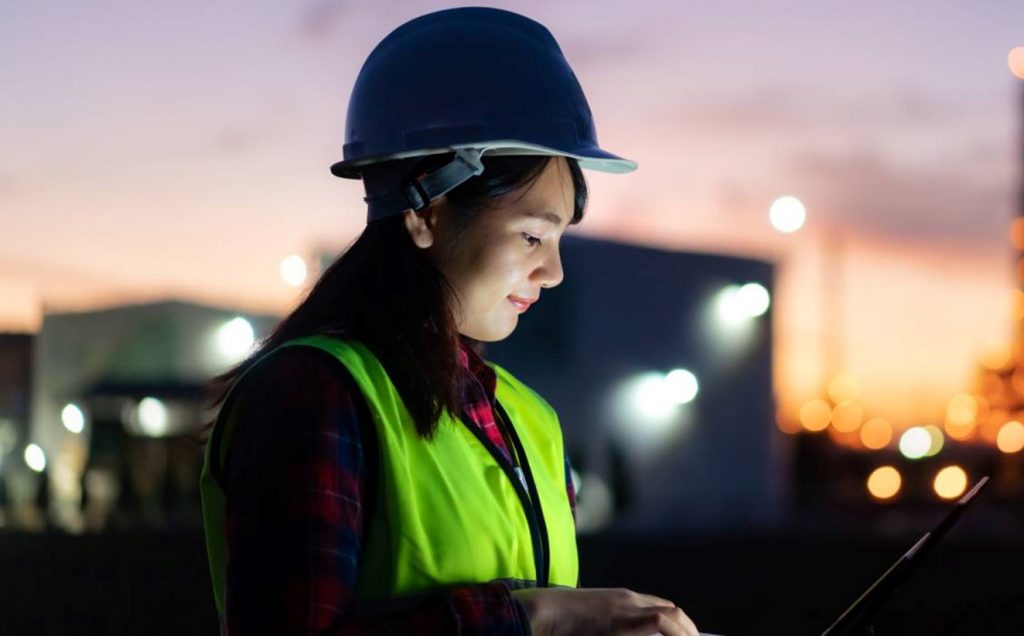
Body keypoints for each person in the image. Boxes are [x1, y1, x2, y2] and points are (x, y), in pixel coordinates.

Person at [199, 7, 699, 636]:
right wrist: (533, 618)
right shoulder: (314, 395)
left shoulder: (531, 421)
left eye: (559, 239)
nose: (553, 272)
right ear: (426, 211)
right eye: (531, 236)